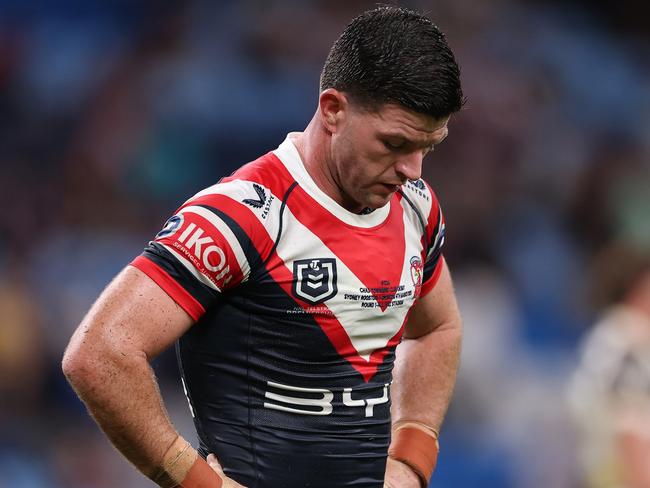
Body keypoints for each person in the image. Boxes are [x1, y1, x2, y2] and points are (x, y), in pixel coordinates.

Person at [62, 6, 464, 488]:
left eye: (428, 147)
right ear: (333, 110)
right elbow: (100, 353)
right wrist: (192, 480)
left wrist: (412, 459)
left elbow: (438, 326)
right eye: (395, 143)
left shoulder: (415, 207)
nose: (413, 170)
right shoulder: (243, 215)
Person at [568, 243, 650, 488]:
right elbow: (628, 426)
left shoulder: (613, 334)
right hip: (616, 474)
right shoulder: (627, 338)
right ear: (637, 288)